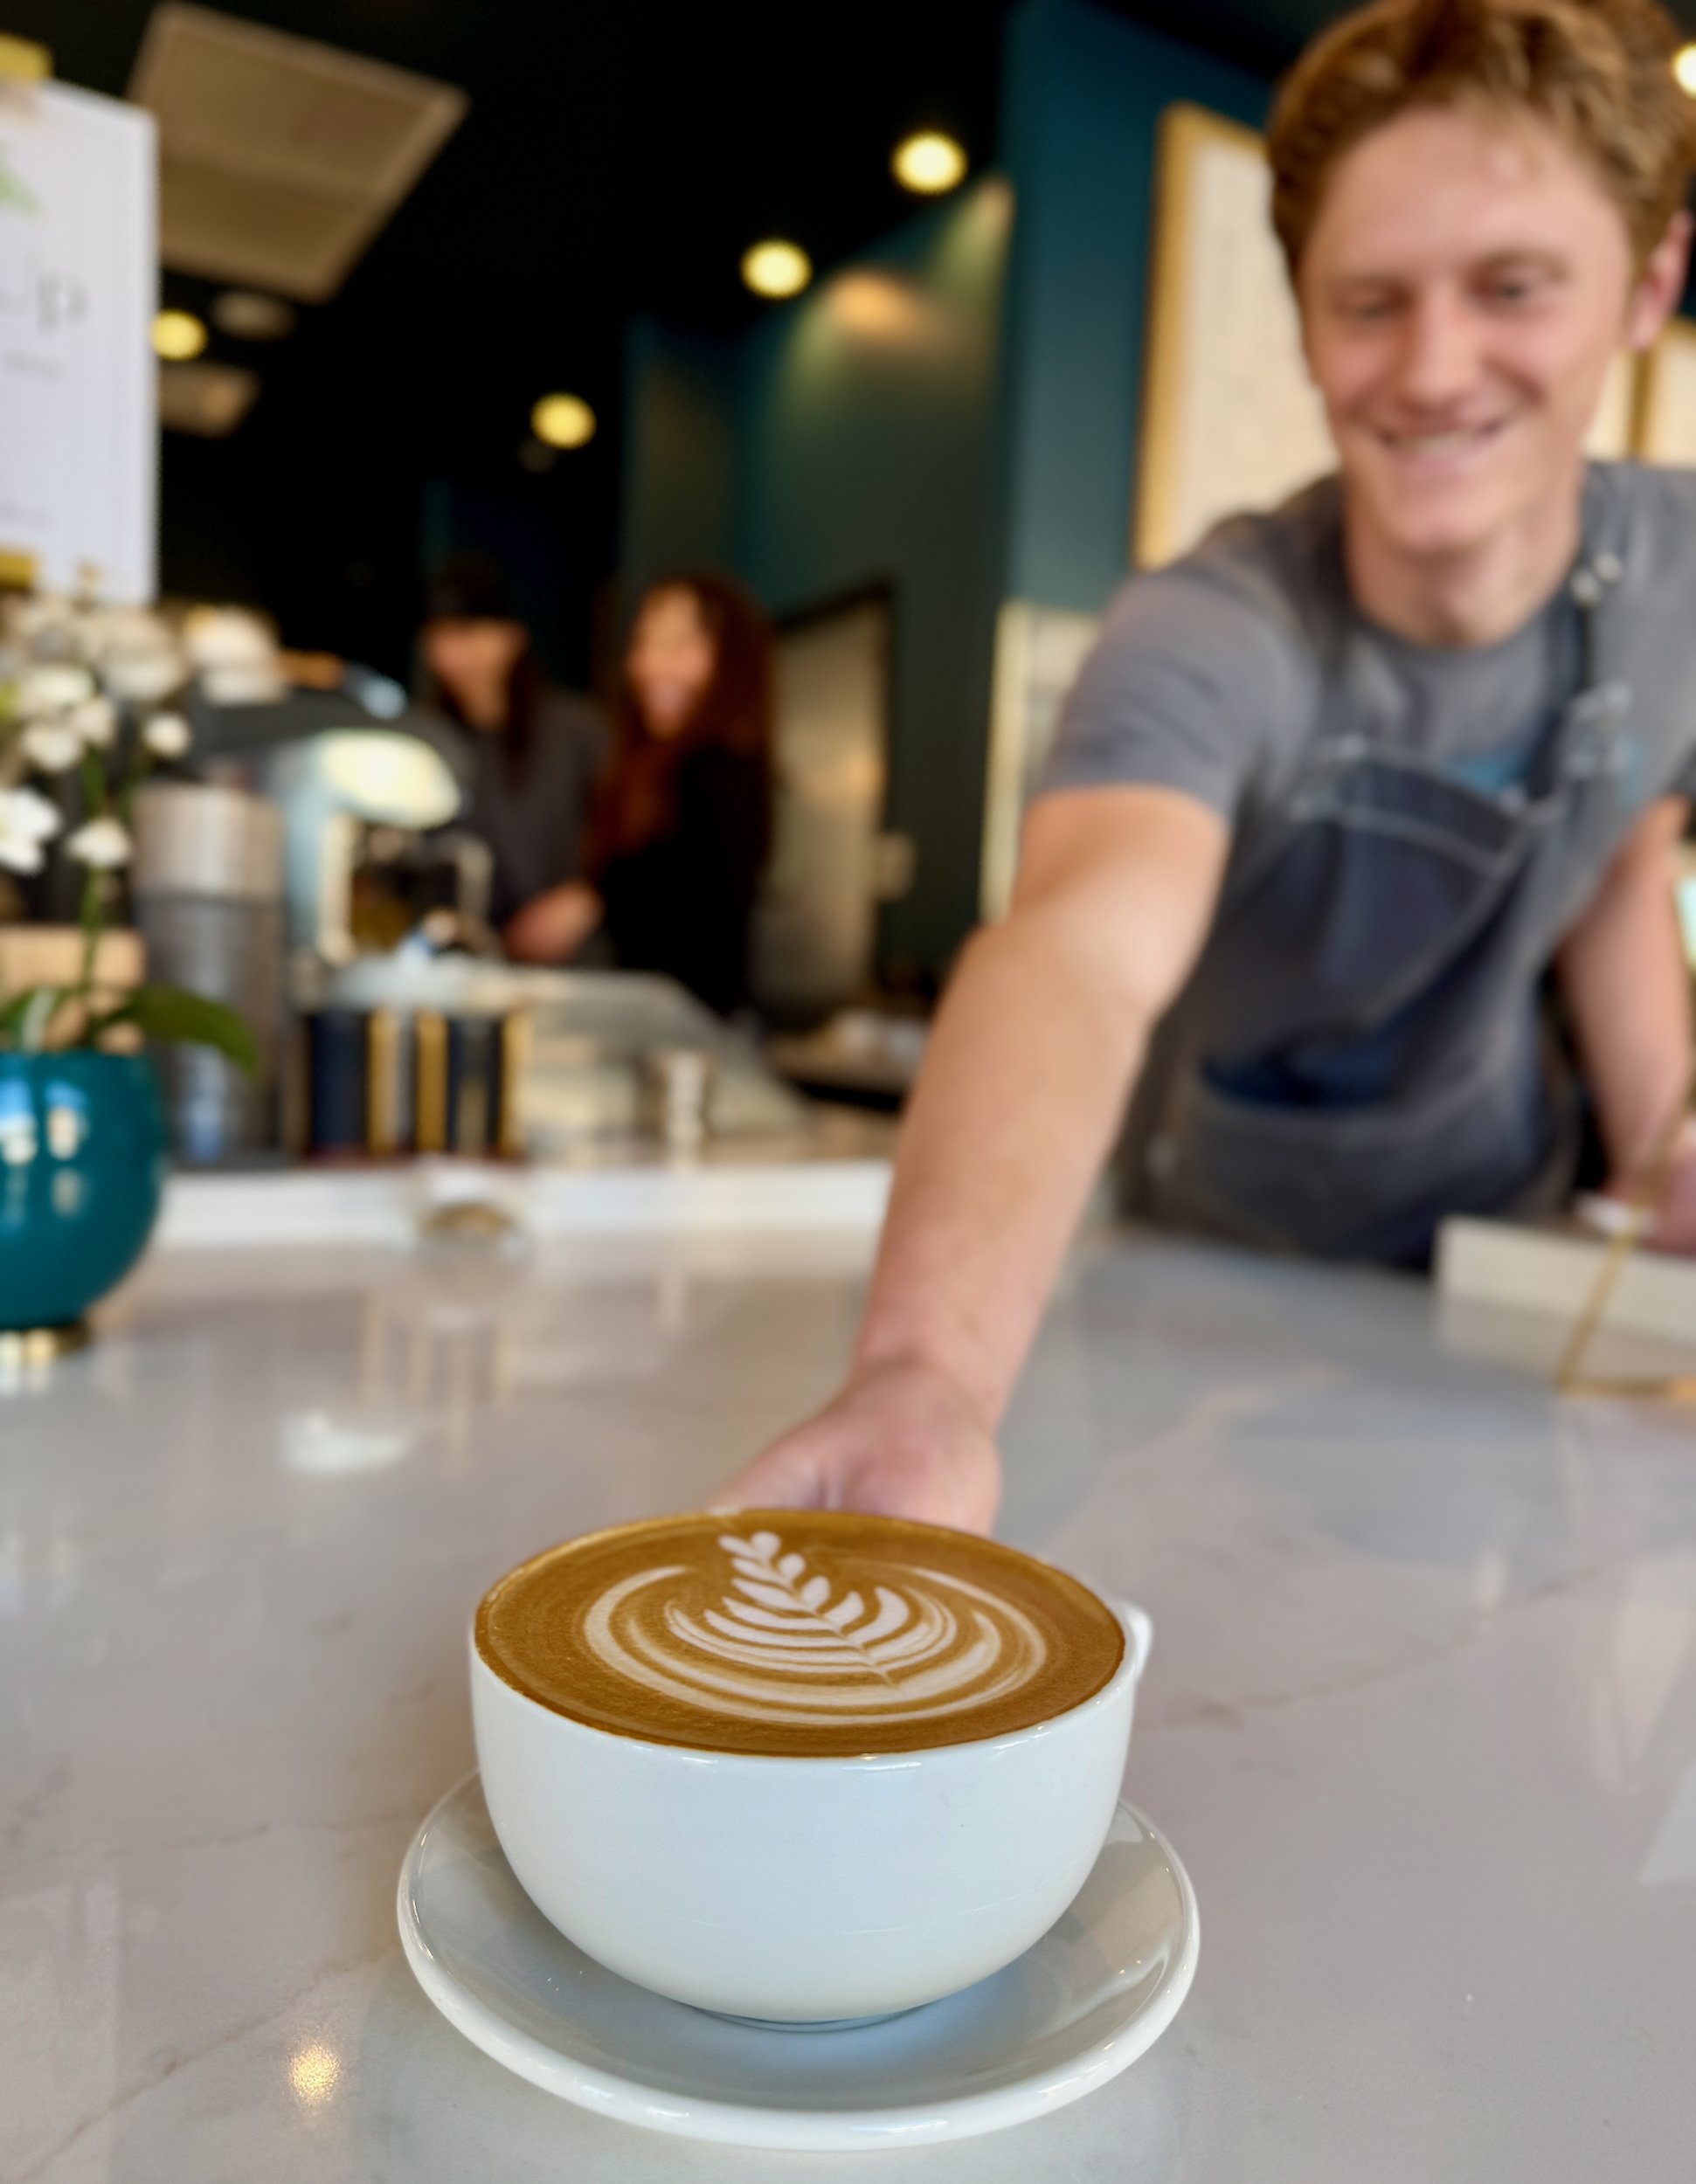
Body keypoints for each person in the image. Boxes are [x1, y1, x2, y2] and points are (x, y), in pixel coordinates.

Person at [721, 0, 1696, 1535]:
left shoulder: (1677, 581)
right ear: (1304, 316)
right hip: (1200, 1295)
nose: (1434, 369)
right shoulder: (1210, 629)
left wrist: (1665, 1153)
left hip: (1489, 1282)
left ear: (1647, 286)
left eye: (1512, 287)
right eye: (1369, 302)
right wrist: (922, 1374)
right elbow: (1081, 950)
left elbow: (1620, 852)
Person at [505, 575, 773, 1015]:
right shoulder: (646, 771)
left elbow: (699, 929)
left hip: (691, 1032)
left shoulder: (722, 772)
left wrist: (591, 900)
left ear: (732, 658)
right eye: (643, 644)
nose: (649, 665)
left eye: (678, 645)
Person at [418, 558, 608, 953]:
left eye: (468, 634)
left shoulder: (577, 731)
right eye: (439, 637)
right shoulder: (426, 742)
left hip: (576, 965)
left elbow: (636, 840)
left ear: (512, 638)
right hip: (461, 967)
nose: (451, 656)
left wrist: (589, 897)